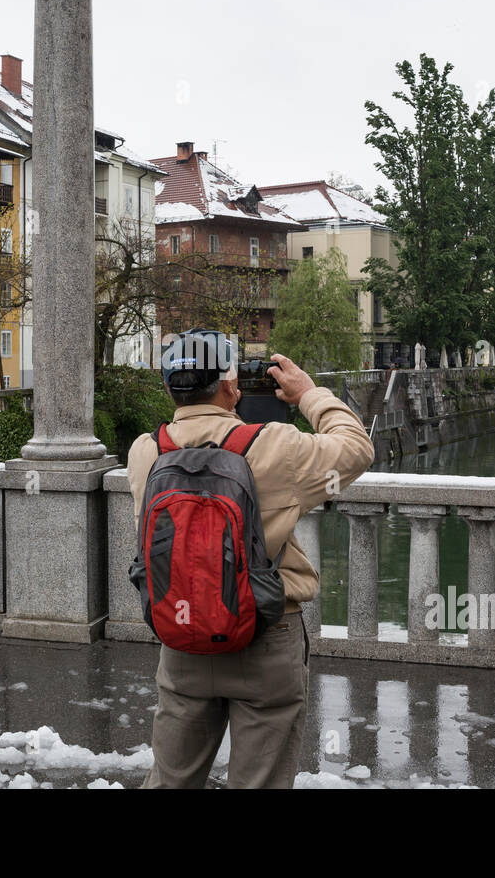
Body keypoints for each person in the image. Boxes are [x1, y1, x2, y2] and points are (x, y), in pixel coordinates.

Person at [126, 331, 374, 788]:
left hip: (182, 636)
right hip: (266, 636)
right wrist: (308, 394)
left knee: (170, 780)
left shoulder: (146, 452)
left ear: (168, 386)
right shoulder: (275, 446)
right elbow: (356, 449)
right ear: (229, 386)